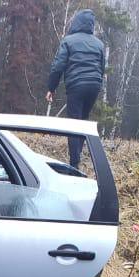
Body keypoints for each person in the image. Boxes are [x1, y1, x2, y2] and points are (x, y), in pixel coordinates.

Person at [46, 9, 105, 167]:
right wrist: (97, 82)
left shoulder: (68, 41)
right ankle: (78, 154)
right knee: (83, 120)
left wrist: (51, 88)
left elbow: (58, 67)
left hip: (76, 85)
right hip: (94, 85)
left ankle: (74, 164)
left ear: (76, 22)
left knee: (73, 123)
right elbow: (102, 67)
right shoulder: (99, 44)